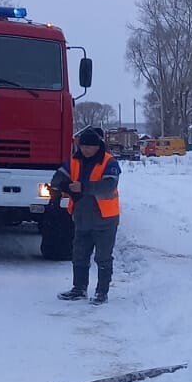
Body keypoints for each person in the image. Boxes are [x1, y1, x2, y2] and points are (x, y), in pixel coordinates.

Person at [53, 127, 121, 303]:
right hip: (82, 217)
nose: (85, 150)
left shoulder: (109, 162)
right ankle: (79, 288)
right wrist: (63, 186)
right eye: (83, 146)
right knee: (79, 254)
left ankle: (101, 292)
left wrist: (83, 187)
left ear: (98, 146)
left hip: (105, 218)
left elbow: (108, 187)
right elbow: (59, 177)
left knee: (103, 257)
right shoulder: (75, 160)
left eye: (89, 147)